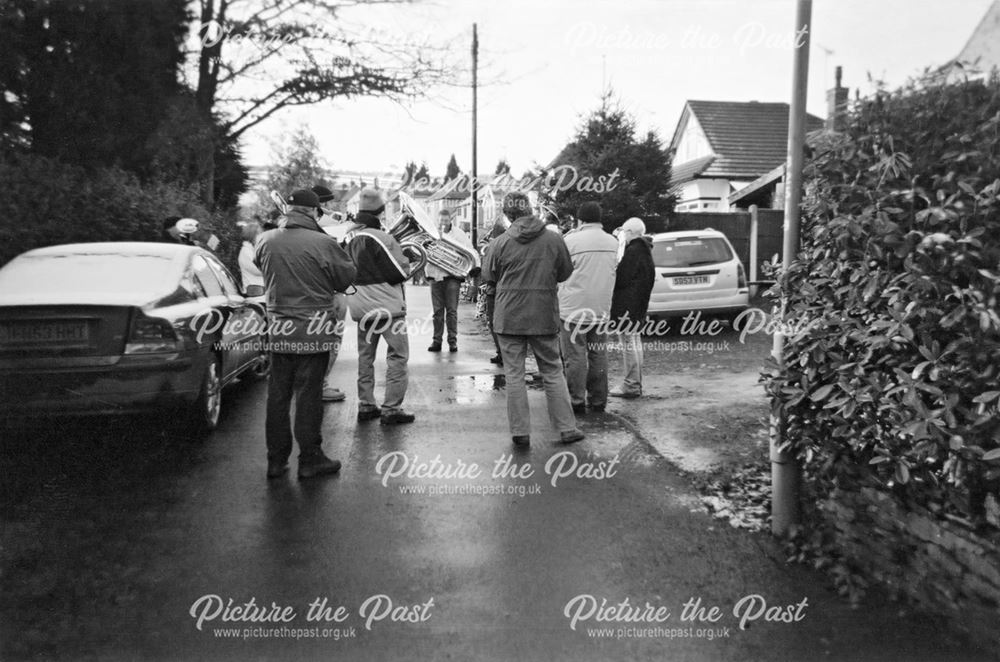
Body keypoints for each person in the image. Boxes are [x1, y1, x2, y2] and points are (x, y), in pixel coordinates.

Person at [255, 189, 357, 480]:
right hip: (313, 330)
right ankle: (310, 459)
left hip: (279, 330)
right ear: (314, 211)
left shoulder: (265, 239)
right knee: (308, 398)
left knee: (278, 397)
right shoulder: (324, 242)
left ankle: (276, 461)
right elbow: (347, 278)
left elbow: (259, 266)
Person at [482, 192, 583, 447]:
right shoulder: (553, 239)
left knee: (514, 374)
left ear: (507, 215)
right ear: (529, 210)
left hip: (509, 317)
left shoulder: (499, 243)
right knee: (552, 370)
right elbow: (564, 273)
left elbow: (488, 276)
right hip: (543, 314)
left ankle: (520, 432)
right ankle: (567, 428)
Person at [344, 189, 418, 425]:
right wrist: (407, 257)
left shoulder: (349, 237)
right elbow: (399, 273)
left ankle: (366, 405)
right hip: (388, 309)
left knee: (365, 356)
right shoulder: (383, 238)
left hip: (360, 307)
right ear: (381, 211)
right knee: (397, 356)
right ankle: (391, 409)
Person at [558, 202, 619, 414]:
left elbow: (560, 272)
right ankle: (598, 400)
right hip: (601, 309)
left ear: (580, 220)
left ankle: (576, 400)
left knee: (574, 356)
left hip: (572, 309)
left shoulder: (570, 241)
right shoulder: (613, 242)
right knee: (598, 354)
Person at [610, 217, 656, 399]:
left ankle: (631, 385)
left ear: (630, 233)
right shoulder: (646, 250)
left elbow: (621, 278)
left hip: (627, 306)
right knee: (635, 343)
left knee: (628, 344)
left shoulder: (634, 251)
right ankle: (635, 382)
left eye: (624, 232)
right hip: (639, 305)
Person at [312, 185, 349, 404]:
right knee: (332, 339)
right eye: (331, 202)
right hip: (333, 292)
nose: (334, 206)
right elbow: (343, 262)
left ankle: (313, 384)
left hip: (311, 292)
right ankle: (321, 385)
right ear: (323, 204)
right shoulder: (333, 226)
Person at [426, 208, 474, 353]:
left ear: (450, 220)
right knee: (437, 312)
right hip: (435, 276)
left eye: (446, 221)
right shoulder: (431, 234)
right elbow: (424, 251)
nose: (443, 223)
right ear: (437, 220)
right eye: (441, 221)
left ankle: (452, 342)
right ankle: (437, 342)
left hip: (452, 277)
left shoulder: (458, 234)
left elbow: (469, 250)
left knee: (452, 312)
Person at [480, 217, 509, 366]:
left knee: (495, 324)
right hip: (511, 292)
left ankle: (501, 353)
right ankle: (506, 354)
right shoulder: (516, 245)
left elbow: (487, 273)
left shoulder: (494, 246)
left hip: (494, 291)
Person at [237, 220, 264, 291]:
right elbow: (259, 270)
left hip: (263, 296)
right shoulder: (246, 252)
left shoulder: (253, 250)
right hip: (256, 297)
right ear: (252, 235)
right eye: (259, 234)